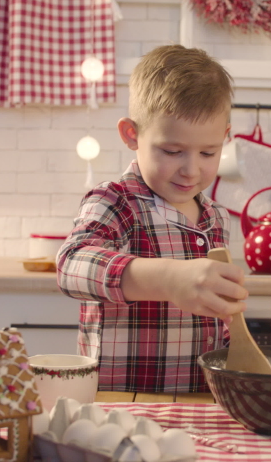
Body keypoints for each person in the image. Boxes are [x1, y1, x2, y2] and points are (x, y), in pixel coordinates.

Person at [57, 45, 248, 393]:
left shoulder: (216, 217)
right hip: (122, 406)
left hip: (201, 402)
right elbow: (71, 265)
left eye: (208, 152)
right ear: (132, 135)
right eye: (172, 151)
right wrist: (168, 279)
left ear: (225, 136)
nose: (191, 169)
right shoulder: (117, 201)